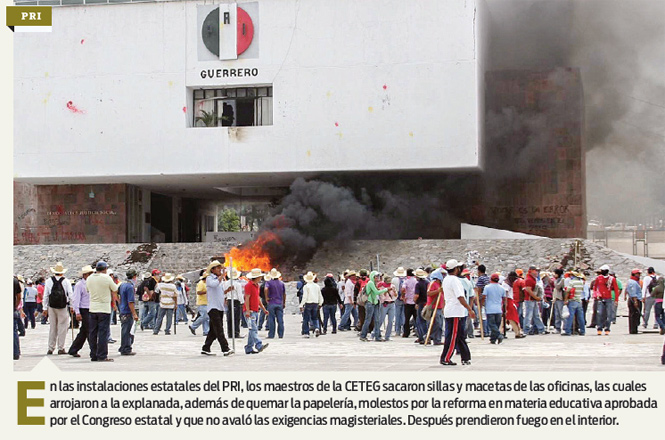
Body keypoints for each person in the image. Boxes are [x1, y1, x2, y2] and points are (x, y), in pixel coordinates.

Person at [440, 259, 476, 366]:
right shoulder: (454, 280)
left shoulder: (446, 279)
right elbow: (460, 296)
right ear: (456, 269)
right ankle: (446, 357)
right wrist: (469, 308)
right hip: (455, 311)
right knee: (453, 336)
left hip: (452, 310)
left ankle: (465, 357)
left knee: (459, 335)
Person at [86, 261, 119, 362]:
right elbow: (115, 288)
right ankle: (102, 355)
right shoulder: (106, 278)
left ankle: (93, 354)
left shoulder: (89, 278)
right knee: (103, 333)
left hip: (93, 308)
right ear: (105, 269)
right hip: (104, 308)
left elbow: (87, 289)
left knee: (93, 333)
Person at [201, 261, 234, 356]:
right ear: (213, 270)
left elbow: (220, 292)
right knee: (219, 329)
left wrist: (227, 290)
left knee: (213, 331)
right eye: (218, 268)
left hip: (220, 307)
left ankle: (206, 348)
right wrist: (222, 275)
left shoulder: (220, 280)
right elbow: (214, 284)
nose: (220, 270)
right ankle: (225, 348)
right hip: (213, 308)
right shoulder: (209, 279)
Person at [44, 262, 74, 355]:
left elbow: (46, 295)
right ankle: (61, 347)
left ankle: (50, 347)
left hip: (51, 306)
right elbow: (70, 294)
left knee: (53, 327)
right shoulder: (66, 281)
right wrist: (72, 306)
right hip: (62, 306)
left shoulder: (49, 281)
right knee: (62, 327)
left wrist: (44, 308)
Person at [68, 265, 94, 357]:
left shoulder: (92, 283)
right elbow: (76, 299)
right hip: (84, 309)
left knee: (84, 331)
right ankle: (94, 349)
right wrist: (77, 312)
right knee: (89, 330)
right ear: (85, 275)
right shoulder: (79, 285)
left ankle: (73, 349)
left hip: (91, 308)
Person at [244, 268, 269, 354]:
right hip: (250, 311)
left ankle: (249, 348)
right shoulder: (248, 285)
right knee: (253, 329)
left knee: (252, 330)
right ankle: (258, 344)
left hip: (255, 310)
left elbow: (257, 299)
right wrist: (247, 310)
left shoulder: (257, 286)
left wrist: (263, 309)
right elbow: (247, 298)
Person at [360, 271, 389, 342]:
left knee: (377, 320)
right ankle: (363, 335)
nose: (377, 278)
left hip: (375, 302)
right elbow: (376, 292)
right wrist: (386, 289)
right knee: (368, 320)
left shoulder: (374, 283)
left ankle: (378, 336)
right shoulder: (370, 283)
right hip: (370, 303)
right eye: (376, 277)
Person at [118, 269, 139, 355]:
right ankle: (126, 348)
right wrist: (134, 314)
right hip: (127, 311)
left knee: (124, 330)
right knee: (128, 331)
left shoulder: (123, 285)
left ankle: (123, 347)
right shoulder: (130, 287)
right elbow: (130, 302)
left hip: (122, 309)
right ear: (134, 276)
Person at [594, 264, 619, 335]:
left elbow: (616, 289)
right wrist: (596, 295)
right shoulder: (598, 278)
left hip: (609, 298)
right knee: (599, 313)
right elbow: (595, 287)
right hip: (600, 298)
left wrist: (616, 300)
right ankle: (599, 328)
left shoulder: (612, 279)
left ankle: (607, 328)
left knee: (609, 314)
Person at [482, 273, 506, 344]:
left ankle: (499, 335)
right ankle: (493, 339)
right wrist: (505, 308)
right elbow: (504, 299)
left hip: (490, 309)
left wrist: (481, 304)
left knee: (492, 325)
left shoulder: (487, 287)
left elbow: (484, 297)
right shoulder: (502, 288)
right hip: (498, 309)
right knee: (496, 325)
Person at [523, 266, 548, 335]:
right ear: (531, 271)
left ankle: (541, 328)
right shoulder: (529, 280)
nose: (537, 272)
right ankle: (526, 329)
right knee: (529, 315)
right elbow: (528, 290)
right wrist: (535, 297)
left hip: (533, 299)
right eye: (535, 271)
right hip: (529, 299)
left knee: (536, 315)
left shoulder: (533, 279)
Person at [300, 271, 324, 338]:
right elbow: (320, 295)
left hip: (308, 303)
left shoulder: (306, 286)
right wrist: (320, 303)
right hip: (315, 303)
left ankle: (306, 332)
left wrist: (301, 305)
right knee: (315, 317)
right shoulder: (317, 286)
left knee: (306, 319)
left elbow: (305, 296)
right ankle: (316, 328)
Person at [562, 271, 586, 336]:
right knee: (580, 317)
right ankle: (582, 331)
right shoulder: (581, 282)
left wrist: (565, 300)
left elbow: (568, 291)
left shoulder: (572, 282)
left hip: (572, 300)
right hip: (579, 300)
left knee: (570, 316)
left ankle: (568, 331)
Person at [265, 268, 286, 338]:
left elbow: (266, 289)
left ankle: (271, 335)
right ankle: (281, 334)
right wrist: (284, 303)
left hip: (271, 302)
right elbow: (284, 294)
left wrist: (266, 297)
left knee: (271, 319)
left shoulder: (268, 282)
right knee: (280, 319)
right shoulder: (281, 283)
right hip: (279, 302)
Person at [426, 269, 446, 345]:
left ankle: (436, 339)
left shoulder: (441, 284)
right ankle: (432, 337)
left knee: (439, 324)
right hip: (434, 306)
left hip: (440, 307)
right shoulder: (432, 283)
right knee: (436, 324)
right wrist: (438, 291)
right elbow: (429, 293)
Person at [224, 267, 244, 339]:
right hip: (236, 301)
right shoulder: (237, 284)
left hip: (229, 300)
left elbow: (224, 293)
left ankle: (230, 333)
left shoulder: (225, 283)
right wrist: (242, 302)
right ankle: (236, 333)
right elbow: (239, 295)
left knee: (229, 317)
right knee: (236, 318)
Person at [504, 272, 525, 338]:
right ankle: (517, 332)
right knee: (512, 318)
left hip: (510, 301)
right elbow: (506, 295)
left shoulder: (510, 283)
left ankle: (501, 332)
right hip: (508, 302)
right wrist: (505, 304)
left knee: (508, 318)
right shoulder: (506, 284)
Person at [190, 270, 210, 336]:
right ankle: (193, 326)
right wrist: (206, 292)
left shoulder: (206, 283)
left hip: (206, 302)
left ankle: (206, 331)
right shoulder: (201, 283)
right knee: (204, 317)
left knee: (206, 318)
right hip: (202, 302)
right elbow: (198, 292)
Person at [378, 275, 397, 341]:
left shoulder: (393, 286)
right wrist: (386, 291)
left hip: (392, 303)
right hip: (385, 304)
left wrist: (394, 292)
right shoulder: (381, 287)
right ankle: (375, 333)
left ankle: (387, 336)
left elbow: (395, 296)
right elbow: (382, 297)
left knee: (391, 321)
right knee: (381, 319)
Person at [401, 269, 418, 338]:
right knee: (416, 318)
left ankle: (406, 333)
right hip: (415, 301)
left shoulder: (406, 281)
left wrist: (403, 296)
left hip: (408, 302)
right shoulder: (416, 281)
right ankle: (418, 332)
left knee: (407, 319)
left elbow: (403, 289)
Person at [625, 269, 643, 335]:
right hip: (635, 299)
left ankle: (634, 328)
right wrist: (635, 302)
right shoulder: (633, 282)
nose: (639, 275)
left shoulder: (634, 281)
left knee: (636, 315)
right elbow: (633, 292)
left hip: (635, 299)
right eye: (638, 274)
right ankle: (633, 330)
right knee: (634, 315)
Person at [414, 268, 429, 343]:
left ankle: (424, 337)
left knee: (421, 320)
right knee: (423, 320)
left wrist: (415, 302)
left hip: (421, 303)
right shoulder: (427, 282)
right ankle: (421, 336)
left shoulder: (418, 284)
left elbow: (416, 295)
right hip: (427, 302)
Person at [392, 267, 407, 336]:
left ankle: (397, 330)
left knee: (397, 314)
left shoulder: (394, 280)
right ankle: (404, 329)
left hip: (397, 298)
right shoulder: (406, 280)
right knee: (404, 315)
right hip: (405, 298)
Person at [14, 276, 23, 360]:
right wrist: (15, 306)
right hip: (12, 309)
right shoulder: (15, 281)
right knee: (14, 331)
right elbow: (19, 296)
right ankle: (16, 353)